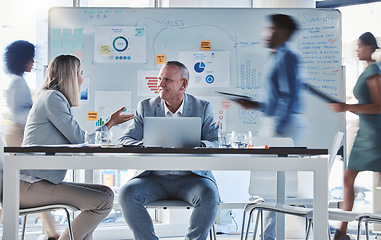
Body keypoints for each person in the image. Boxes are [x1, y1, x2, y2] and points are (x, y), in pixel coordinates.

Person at [20, 54, 134, 240]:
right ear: (70, 76)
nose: (82, 78)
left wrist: (110, 122)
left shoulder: (52, 98)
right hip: (30, 185)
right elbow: (80, 140)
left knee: (105, 193)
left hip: (39, 181)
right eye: (80, 73)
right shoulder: (53, 99)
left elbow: (78, 142)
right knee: (103, 202)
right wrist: (110, 124)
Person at [118, 61, 220, 240]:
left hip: (192, 179)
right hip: (154, 179)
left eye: (167, 79)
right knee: (127, 193)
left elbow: (215, 142)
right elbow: (125, 140)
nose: (160, 84)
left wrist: (198, 146)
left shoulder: (202, 108)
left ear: (183, 84)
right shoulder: (146, 107)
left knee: (210, 195)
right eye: (159, 79)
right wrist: (145, 145)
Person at [232, 14, 308, 240]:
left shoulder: (287, 57)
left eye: (271, 29)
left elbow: (288, 97)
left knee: (275, 187)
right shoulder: (277, 57)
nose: (266, 34)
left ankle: (271, 236)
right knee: (270, 187)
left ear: (282, 33)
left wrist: (278, 132)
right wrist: (255, 104)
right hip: (277, 122)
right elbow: (279, 99)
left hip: (284, 125)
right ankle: (269, 236)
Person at [3, 40, 61, 240]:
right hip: (19, 134)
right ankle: (52, 233)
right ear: (23, 58)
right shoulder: (18, 82)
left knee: (28, 184)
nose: (34, 62)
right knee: (30, 183)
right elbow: (21, 113)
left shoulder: (17, 80)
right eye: (31, 57)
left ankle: (51, 232)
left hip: (18, 133)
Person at [329, 32, 381, 240]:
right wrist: (346, 108)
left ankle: (342, 231)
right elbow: (365, 107)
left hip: (375, 136)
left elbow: (378, 106)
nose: (357, 49)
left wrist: (347, 105)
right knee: (348, 179)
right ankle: (342, 230)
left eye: (360, 46)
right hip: (366, 133)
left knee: (351, 178)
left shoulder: (374, 72)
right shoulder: (368, 70)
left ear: (370, 48)